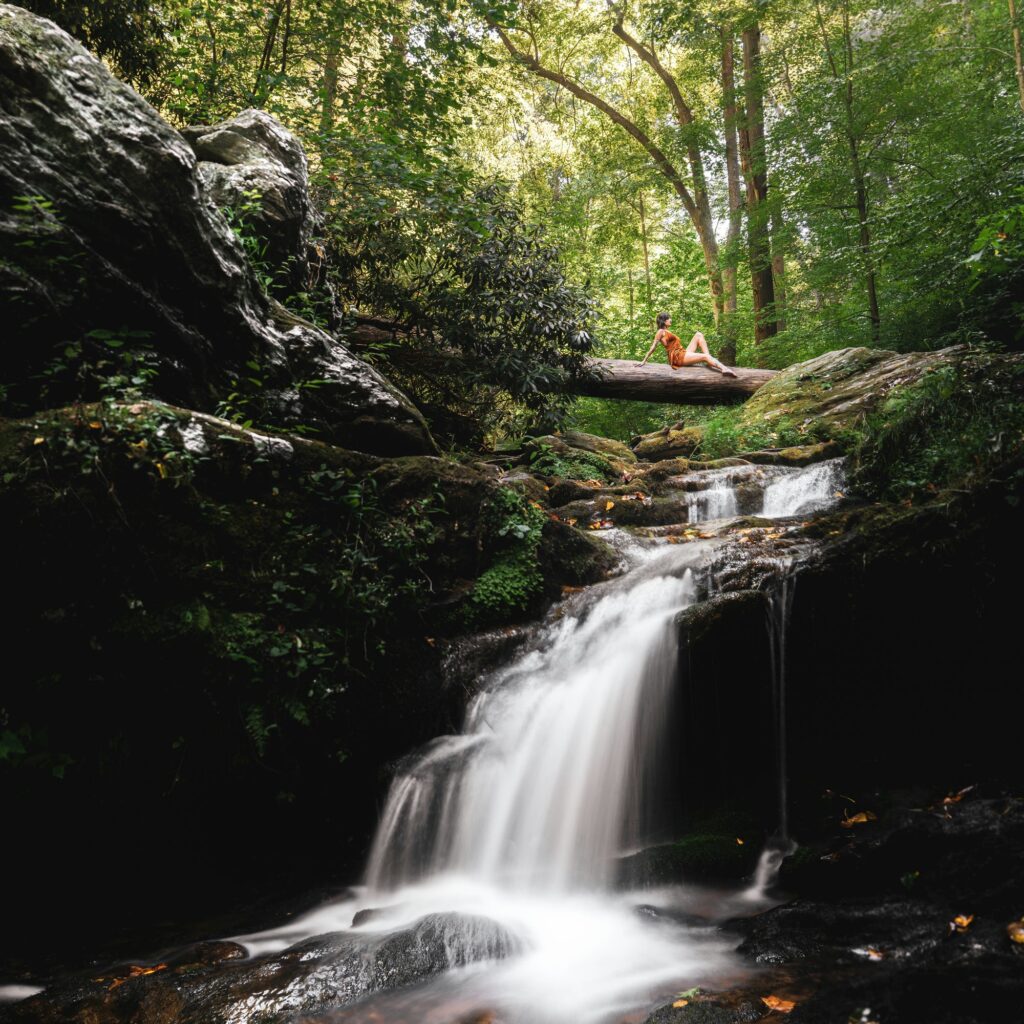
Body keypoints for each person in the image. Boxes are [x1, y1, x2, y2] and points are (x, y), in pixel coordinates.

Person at [637, 312, 737, 376]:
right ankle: (723, 368)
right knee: (705, 356)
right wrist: (644, 360)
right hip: (677, 357)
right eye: (669, 318)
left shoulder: (668, 332)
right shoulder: (660, 332)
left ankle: (709, 358)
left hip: (682, 352)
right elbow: (653, 347)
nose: (670, 320)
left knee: (698, 335)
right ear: (664, 321)